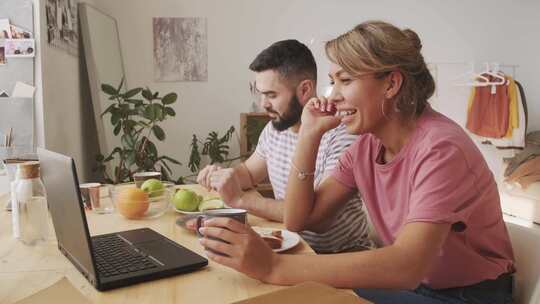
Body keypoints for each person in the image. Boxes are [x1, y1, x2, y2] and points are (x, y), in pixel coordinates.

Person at [197, 21, 515, 304]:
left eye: (345, 80)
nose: (332, 95)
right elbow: (301, 219)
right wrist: (309, 136)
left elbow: (406, 265)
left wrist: (273, 265)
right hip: (419, 286)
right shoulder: (366, 145)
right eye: (333, 81)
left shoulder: (441, 148)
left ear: (391, 84)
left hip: (468, 294)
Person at [196, 39, 373, 253]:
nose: (264, 104)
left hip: (339, 255)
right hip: (293, 246)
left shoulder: (343, 135)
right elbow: (249, 173)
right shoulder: (274, 129)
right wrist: (223, 175)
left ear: (305, 89)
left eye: (272, 95)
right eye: (260, 93)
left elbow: (312, 217)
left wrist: (241, 199)